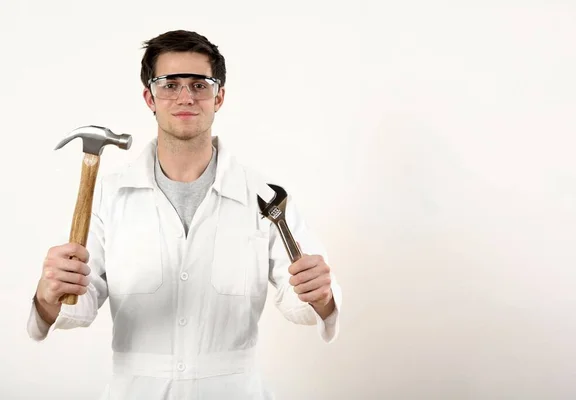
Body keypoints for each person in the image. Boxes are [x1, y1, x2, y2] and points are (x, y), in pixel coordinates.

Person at [27, 29, 342, 399]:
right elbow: (77, 306)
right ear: (150, 97)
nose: (185, 97)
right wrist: (49, 294)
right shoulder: (107, 196)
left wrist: (320, 294)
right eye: (170, 84)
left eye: (199, 85)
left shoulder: (266, 196)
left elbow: (303, 299)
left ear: (219, 96)